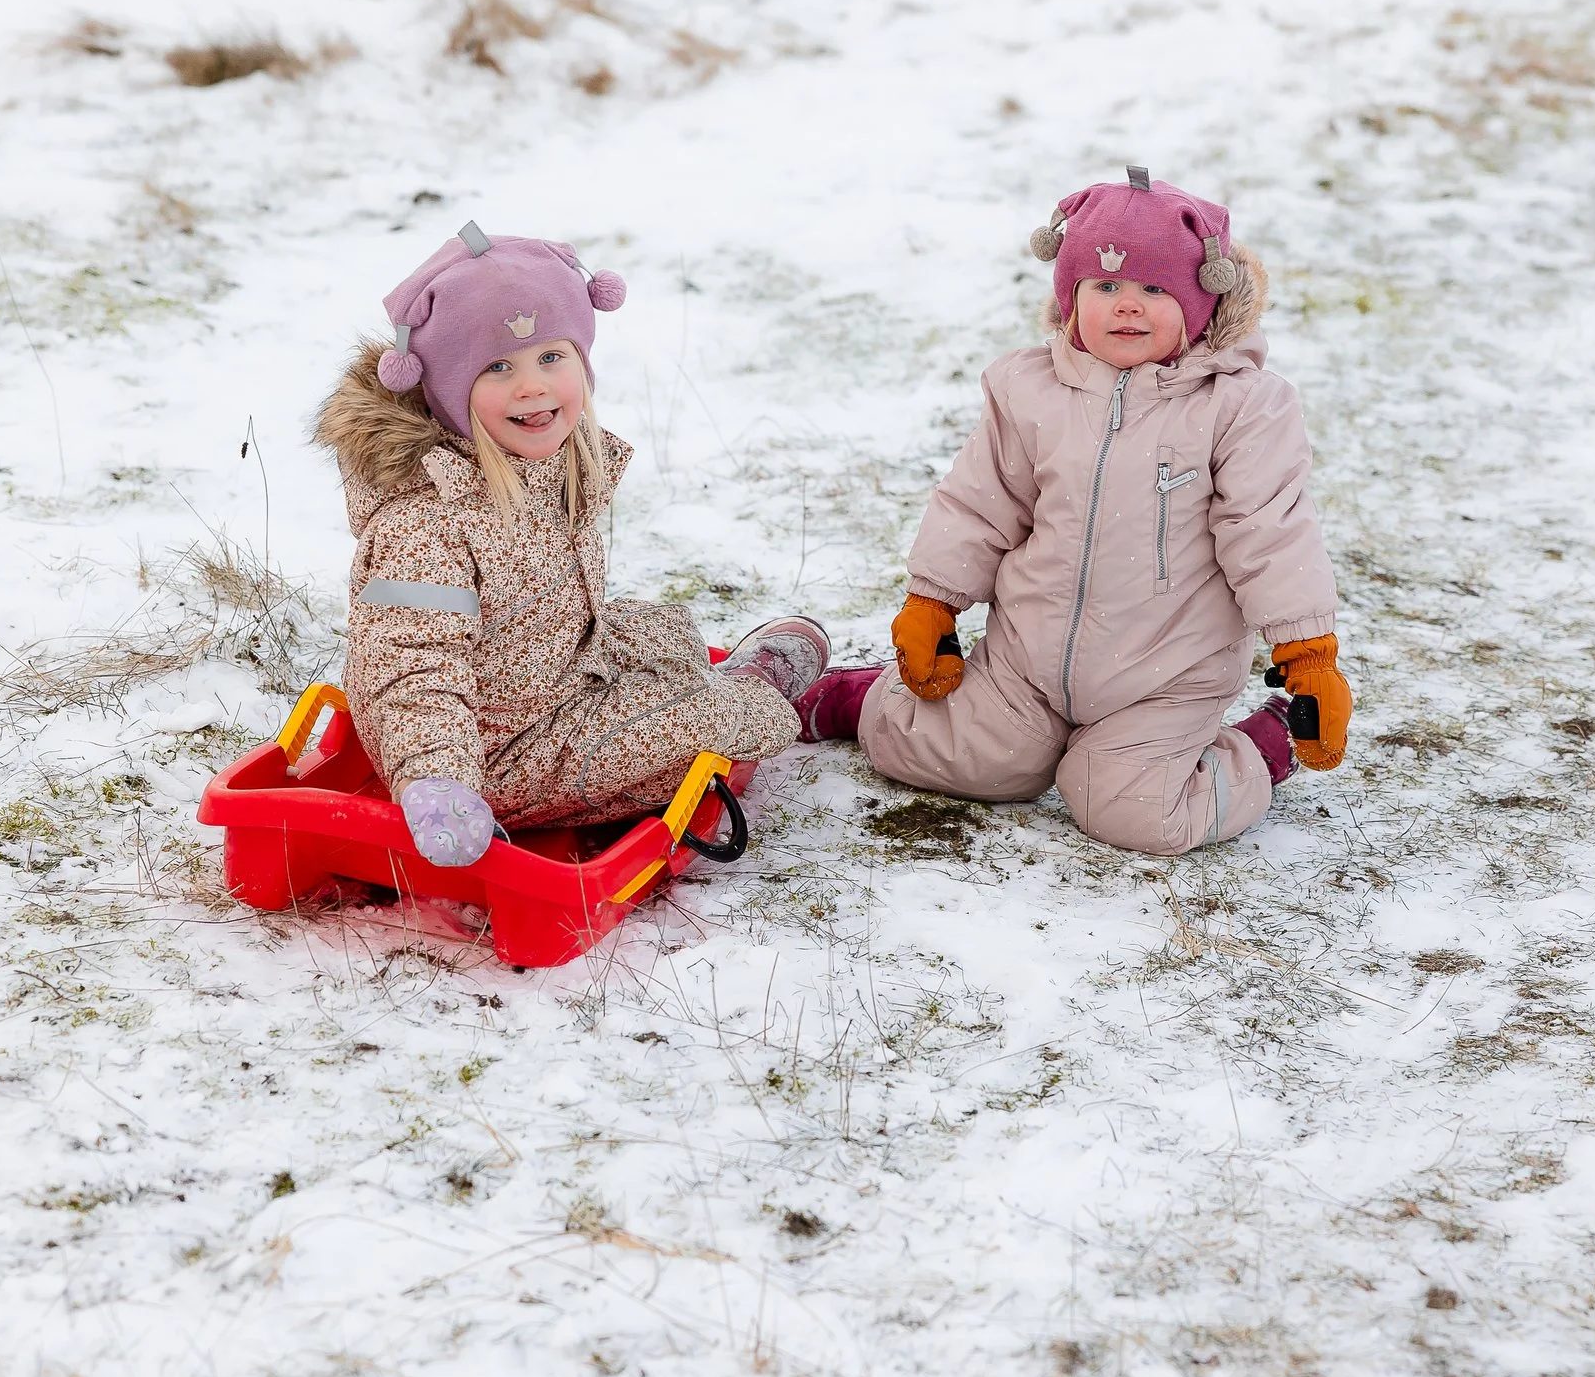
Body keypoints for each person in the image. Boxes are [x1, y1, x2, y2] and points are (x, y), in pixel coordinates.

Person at [812, 168, 1353, 855]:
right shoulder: (1031, 390)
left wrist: (1307, 654)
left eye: (1154, 288)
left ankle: (1263, 747)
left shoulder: (1239, 407)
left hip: (1164, 678)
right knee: (947, 755)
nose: (1128, 306)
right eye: (1106, 286)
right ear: (1070, 299)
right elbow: (978, 504)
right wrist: (934, 602)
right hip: (1026, 663)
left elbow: (1270, 532)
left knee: (1134, 812)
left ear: (1202, 301)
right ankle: (853, 697)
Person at [311, 222, 851, 867]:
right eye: (498, 367)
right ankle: (749, 691)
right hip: (490, 759)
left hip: (554, 668)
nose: (532, 386)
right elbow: (411, 666)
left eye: (551, 357)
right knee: (719, 723)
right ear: (447, 393)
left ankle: (707, 686)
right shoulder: (423, 524)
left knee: (664, 631)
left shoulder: (544, 456)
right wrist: (440, 781)